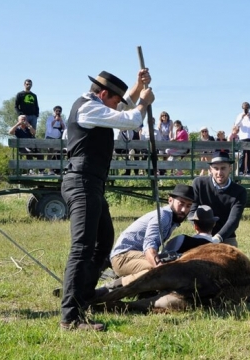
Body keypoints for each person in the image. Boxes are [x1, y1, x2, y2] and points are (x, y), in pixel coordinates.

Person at [59, 69, 154, 331]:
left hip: (92, 184)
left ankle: (84, 296)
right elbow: (132, 119)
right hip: (82, 182)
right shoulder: (89, 109)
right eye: (114, 100)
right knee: (82, 249)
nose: (118, 104)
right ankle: (70, 317)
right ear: (103, 94)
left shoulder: (96, 104)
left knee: (103, 244)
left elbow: (124, 104)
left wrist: (137, 85)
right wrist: (144, 101)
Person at [106, 184, 194, 290]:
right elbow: (149, 246)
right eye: (181, 204)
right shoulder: (163, 216)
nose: (184, 209)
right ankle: (114, 286)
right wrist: (159, 268)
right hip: (122, 257)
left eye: (188, 206)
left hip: (134, 255)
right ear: (170, 200)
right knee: (156, 269)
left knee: (169, 263)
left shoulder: (172, 218)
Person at [190, 150, 248, 247]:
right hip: (202, 235)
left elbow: (234, 220)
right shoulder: (199, 184)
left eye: (223, 168)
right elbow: (192, 212)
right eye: (216, 168)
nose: (219, 172)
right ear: (210, 169)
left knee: (234, 260)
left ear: (230, 168)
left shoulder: (240, 191)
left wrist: (217, 238)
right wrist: (202, 232)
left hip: (226, 237)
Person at [234, 102, 250, 175]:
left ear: (249, 108)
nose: (246, 109)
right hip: (243, 137)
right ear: (242, 108)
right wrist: (242, 117)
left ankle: (249, 170)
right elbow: (236, 124)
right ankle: (241, 170)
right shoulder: (239, 115)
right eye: (244, 108)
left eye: (247, 108)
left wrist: (249, 117)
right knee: (242, 154)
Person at [44, 106, 65, 174]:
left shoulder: (62, 119)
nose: (58, 112)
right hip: (50, 137)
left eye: (59, 111)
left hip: (58, 137)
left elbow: (65, 129)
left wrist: (61, 121)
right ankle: (50, 169)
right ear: (54, 111)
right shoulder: (50, 118)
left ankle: (58, 169)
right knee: (50, 152)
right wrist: (55, 120)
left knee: (59, 152)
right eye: (57, 111)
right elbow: (49, 127)